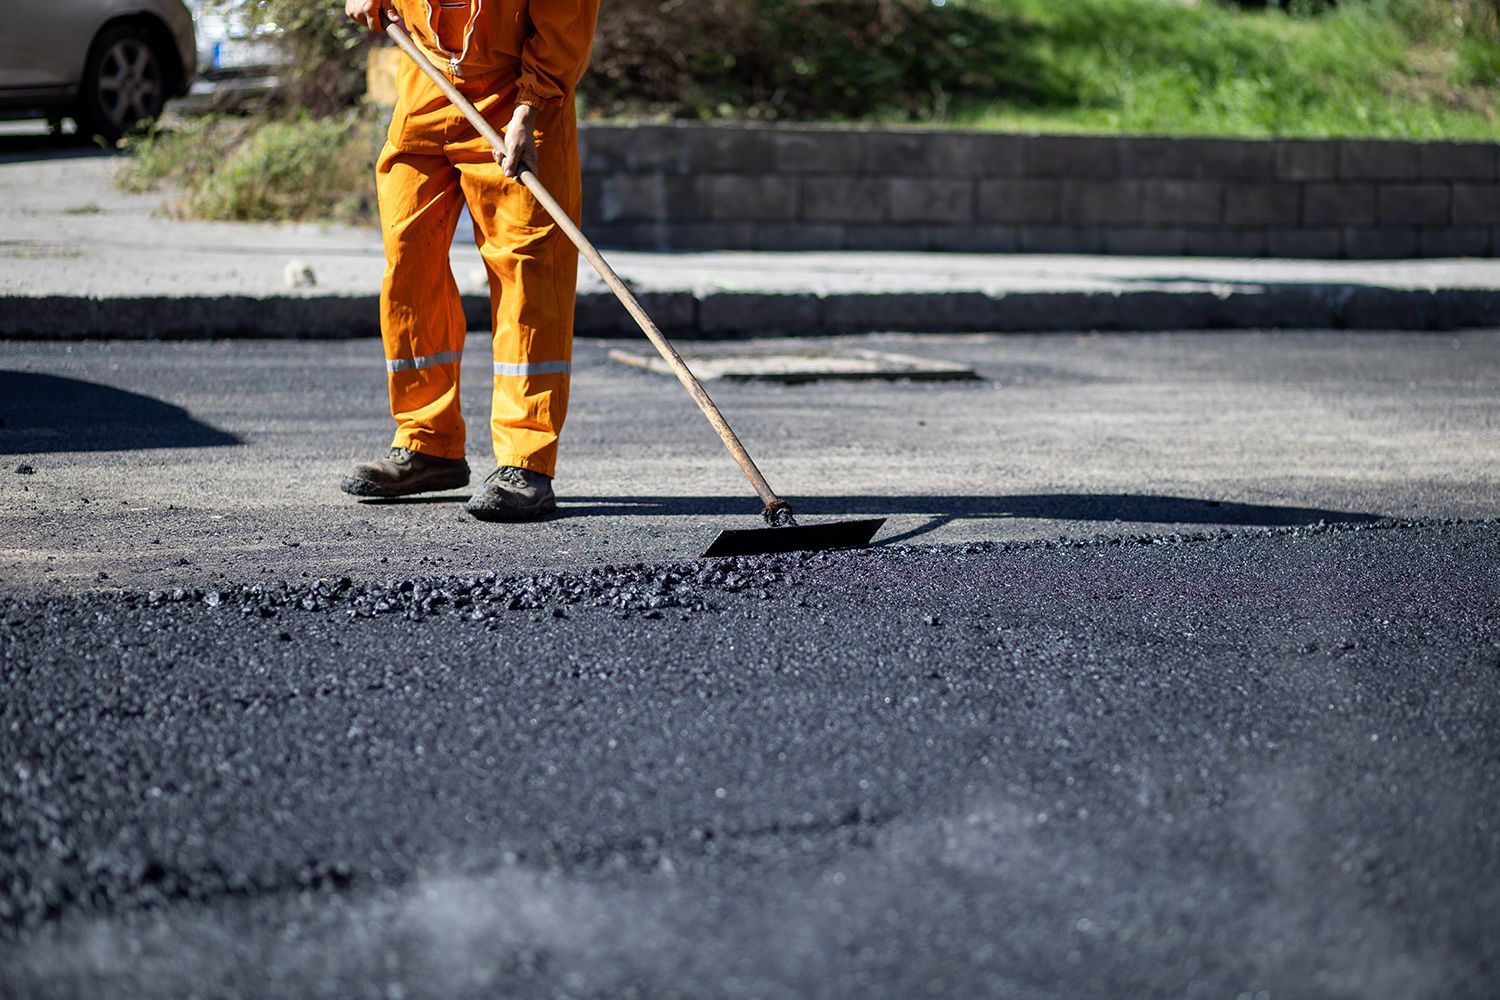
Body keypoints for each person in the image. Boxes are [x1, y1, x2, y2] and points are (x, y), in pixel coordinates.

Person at [340, 0, 600, 520]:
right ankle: (427, 444)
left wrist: (531, 108)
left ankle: (526, 460)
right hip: (429, 82)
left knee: (528, 274)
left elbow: (563, 32)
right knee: (409, 261)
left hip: (518, 101)